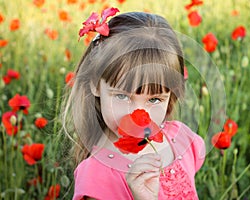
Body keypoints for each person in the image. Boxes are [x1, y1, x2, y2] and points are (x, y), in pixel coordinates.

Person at [63, 8, 206, 200]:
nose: (138, 115)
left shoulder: (180, 140)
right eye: (123, 96)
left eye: (154, 99)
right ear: (95, 84)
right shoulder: (96, 176)